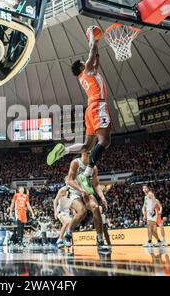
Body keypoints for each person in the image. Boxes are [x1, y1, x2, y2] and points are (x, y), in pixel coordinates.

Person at [47, 25, 112, 195]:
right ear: (82, 67)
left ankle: (65, 150)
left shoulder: (87, 73)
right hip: (98, 105)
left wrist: (96, 46)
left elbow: (96, 59)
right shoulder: (87, 70)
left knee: (86, 146)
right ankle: (87, 173)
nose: (87, 61)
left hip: (90, 109)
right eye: (85, 62)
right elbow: (92, 50)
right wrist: (92, 38)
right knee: (104, 141)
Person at [63, 152, 108, 253]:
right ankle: (68, 233)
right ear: (82, 152)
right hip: (74, 191)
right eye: (87, 150)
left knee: (96, 208)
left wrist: (102, 197)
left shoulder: (94, 167)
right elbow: (69, 181)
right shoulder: (75, 163)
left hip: (87, 191)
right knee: (82, 211)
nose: (89, 152)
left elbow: (96, 185)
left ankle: (100, 239)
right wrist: (81, 190)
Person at [53, 182, 72, 248]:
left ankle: (66, 240)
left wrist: (74, 211)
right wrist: (55, 212)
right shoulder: (63, 190)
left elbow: (71, 203)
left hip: (67, 211)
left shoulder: (73, 191)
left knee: (70, 227)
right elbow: (55, 200)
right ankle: (59, 240)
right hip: (60, 210)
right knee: (66, 223)